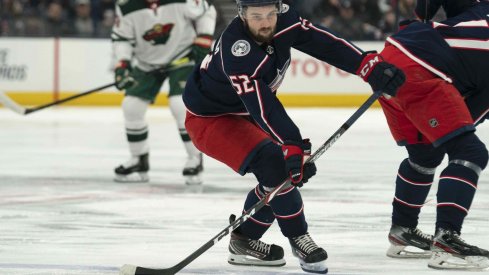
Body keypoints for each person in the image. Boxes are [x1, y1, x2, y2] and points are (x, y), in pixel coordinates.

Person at [182, 0, 405, 273]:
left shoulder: (285, 19)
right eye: (256, 16)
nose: (265, 22)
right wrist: (292, 143)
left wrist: (364, 64)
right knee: (276, 164)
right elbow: (263, 105)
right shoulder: (237, 51)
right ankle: (299, 238)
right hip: (211, 119)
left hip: (250, 112)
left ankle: (245, 239)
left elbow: (321, 41)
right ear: (242, 15)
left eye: (269, 14)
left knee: (283, 174)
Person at [376, 0, 489, 270]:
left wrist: (420, 15)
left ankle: (403, 230)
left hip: (392, 56)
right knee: (470, 152)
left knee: (425, 154)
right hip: (420, 70)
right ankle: (447, 240)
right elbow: (467, 117)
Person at [111, 0, 216, 184]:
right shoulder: (126, 5)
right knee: (132, 106)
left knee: (179, 104)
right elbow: (122, 38)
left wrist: (204, 37)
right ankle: (138, 160)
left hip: (182, 58)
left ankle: (194, 158)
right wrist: (123, 64)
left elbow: (207, 12)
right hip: (147, 63)